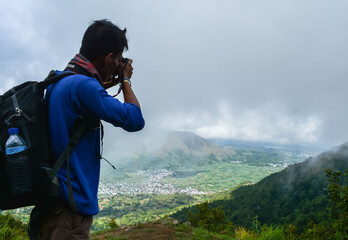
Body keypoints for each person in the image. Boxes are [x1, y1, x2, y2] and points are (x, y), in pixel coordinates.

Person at [29, 19, 145, 239]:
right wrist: (126, 80)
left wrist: (102, 83)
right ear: (109, 58)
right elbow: (135, 120)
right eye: (118, 59)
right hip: (68, 213)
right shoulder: (84, 87)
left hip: (52, 203)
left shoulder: (60, 78)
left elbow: (82, 98)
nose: (119, 64)